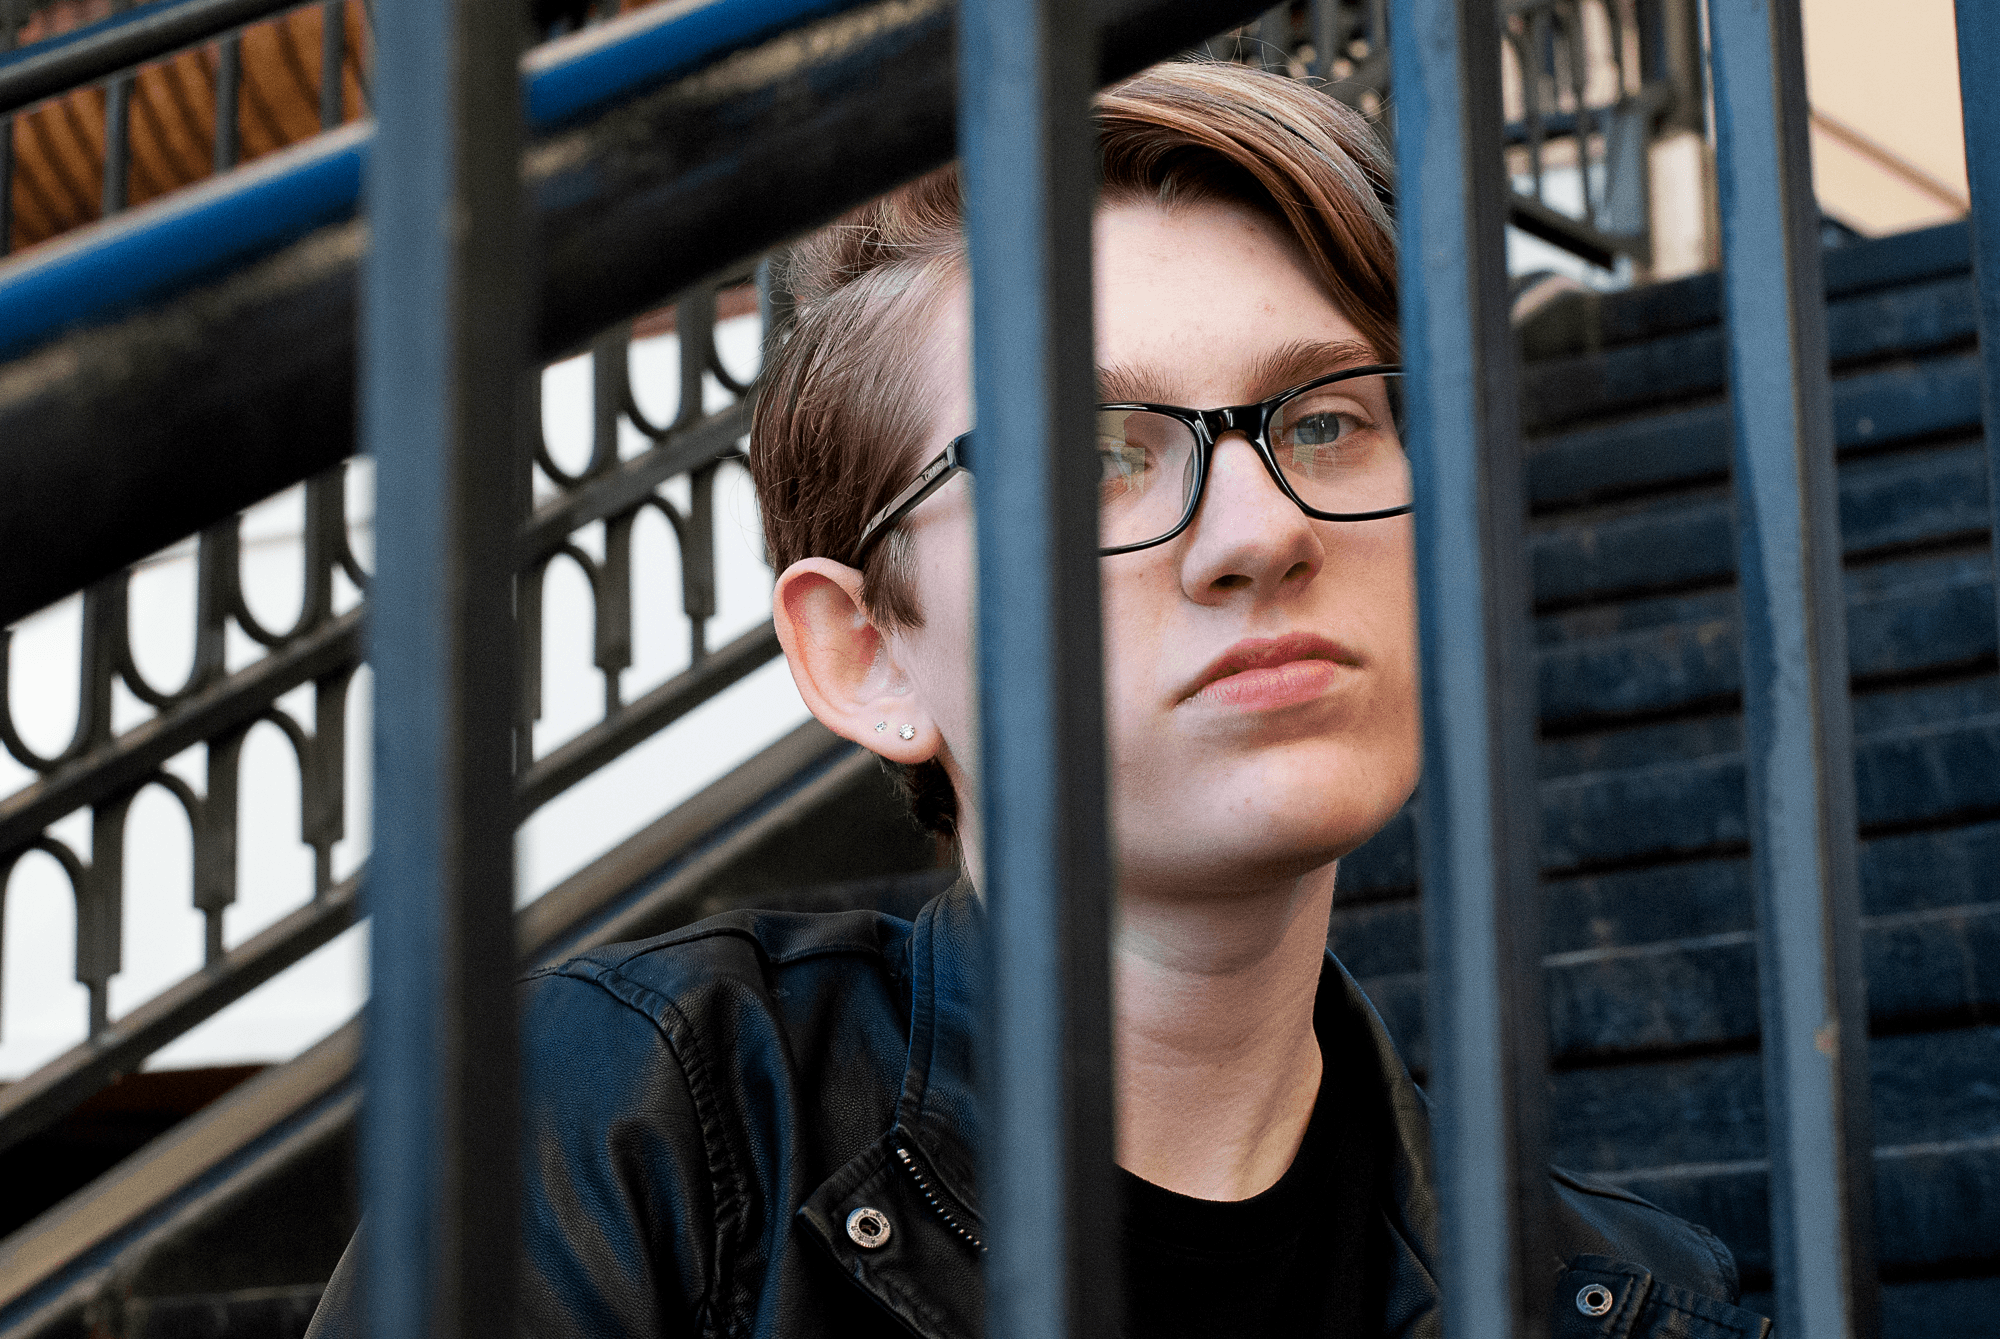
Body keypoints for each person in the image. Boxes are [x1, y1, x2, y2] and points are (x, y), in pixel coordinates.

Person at [309, 59, 1770, 1339]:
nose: (1262, 530)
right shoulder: (644, 1122)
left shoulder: (1624, 1295)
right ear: (865, 652)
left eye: (1325, 420)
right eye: (1094, 456)